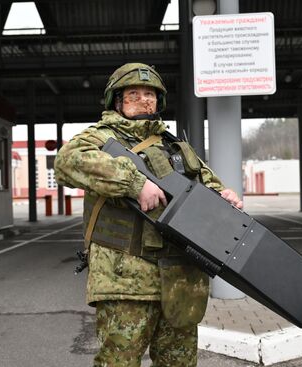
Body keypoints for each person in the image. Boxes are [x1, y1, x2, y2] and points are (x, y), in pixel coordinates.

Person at [54, 63, 242, 367]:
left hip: (180, 278)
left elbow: (208, 185)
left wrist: (224, 198)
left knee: (178, 363)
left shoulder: (176, 147)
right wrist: (134, 183)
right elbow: (67, 162)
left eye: (150, 94)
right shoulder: (98, 138)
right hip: (125, 278)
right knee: (119, 363)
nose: (144, 100)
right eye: (134, 93)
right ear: (117, 100)